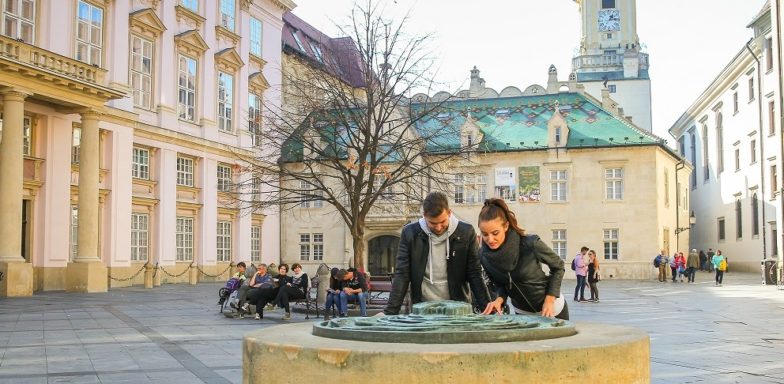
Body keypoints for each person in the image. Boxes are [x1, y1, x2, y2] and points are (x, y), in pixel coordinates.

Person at [384, 191, 490, 315]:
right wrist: (390, 312)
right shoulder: (410, 233)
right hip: (422, 309)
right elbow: (402, 274)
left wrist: (488, 309)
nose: (438, 227)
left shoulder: (466, 232)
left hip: (458, 309)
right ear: (424, 215)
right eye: (433, 223)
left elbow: (475, 274)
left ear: (449, 213)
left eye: (443, 222)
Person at [478, 198, 568, 319]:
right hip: (522, 314)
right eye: (484, 234)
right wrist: (499, 300)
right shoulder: (484, 256)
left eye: (495, 233)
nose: (490, 239)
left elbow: (558, 266)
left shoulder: (530, 244)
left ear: (506, 226)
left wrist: (550, 299)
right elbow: (500, 284)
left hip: (553, 309)